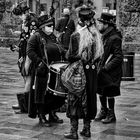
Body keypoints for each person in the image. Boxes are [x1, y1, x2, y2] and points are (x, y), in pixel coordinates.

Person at [64, 6, 103, 139]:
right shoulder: (97, 36)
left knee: (74, 99)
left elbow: (70, 56)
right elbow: (99, 58)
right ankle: (87, 129)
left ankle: (73, 131)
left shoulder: (75, 36)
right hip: (91, 74)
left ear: (80, 20)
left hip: (78, 73)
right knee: (89, 100)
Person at [26, 14, 65, 127]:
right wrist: (39, 62)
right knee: (41, 94)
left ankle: (52, 114)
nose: (51, 28)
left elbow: (60, 48)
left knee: (54, 94)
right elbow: (30, 51)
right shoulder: (36, 36)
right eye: (49, 26)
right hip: (41, 70)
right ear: (42, 27)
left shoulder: (53, 37)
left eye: (52, 26)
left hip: (54, 70)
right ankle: (42, 115)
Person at [95, 12, 123, 124]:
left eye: (100, 23)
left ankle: (111, 115)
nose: (98, 25)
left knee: (110, 92)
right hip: (103, 71)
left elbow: (118, 56)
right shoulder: (105, 35)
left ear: (106, 24)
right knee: (101, 91)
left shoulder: (114, 37)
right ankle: (103, 111)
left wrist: (106, 68)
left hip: (111, 73)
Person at [11, 3, 38, 114]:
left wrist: (28, 58)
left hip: (28, 54)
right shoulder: (27, 21)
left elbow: (31, 41)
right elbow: (25, 37)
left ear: (25, 12)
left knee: (28, 77)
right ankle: (25, 103)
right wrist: (18, 48)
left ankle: (25, 105)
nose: (19, 18)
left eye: (20, 15)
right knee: (25, 76)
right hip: (23, 52)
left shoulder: (32, 21)